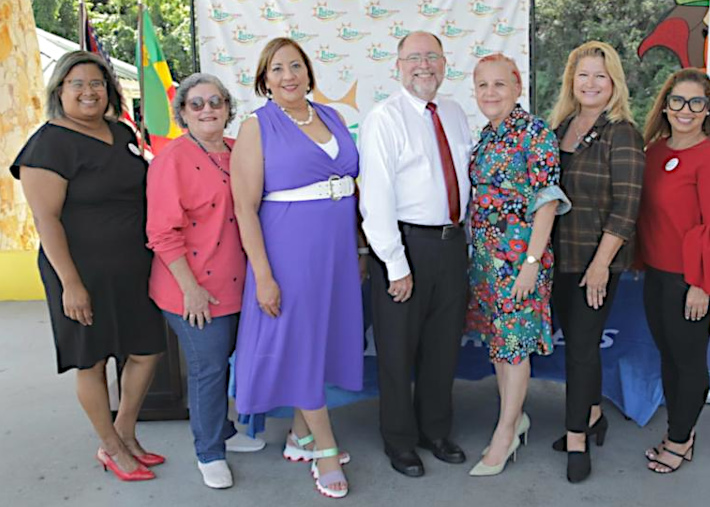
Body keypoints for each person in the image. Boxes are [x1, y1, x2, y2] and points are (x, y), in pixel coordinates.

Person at [9, 51, 165, 481]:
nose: (88, 91)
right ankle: (112, 448)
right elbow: (47, 220)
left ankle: (125, 434)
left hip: (133, 267)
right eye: (77, 83)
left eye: (96, 83)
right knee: (91, 359)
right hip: (80, 272)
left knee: (147, 350)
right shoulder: (49, 143)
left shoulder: (120, 131)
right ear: (60, 91)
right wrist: (71, 285)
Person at [231, 37, 363, 499]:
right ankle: (324, 447)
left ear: (308, 71)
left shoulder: (333, 116)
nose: (288, 76)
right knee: (302, 341)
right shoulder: (256, 126)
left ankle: (299, 436)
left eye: (295, 66)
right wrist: (263, 275)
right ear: (264, 80)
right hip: (289, 250)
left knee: (322, 340)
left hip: (338, 249)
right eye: (276, 69)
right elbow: (245, 208)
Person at [359, 31, 472, 478]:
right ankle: (400, 441)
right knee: (396, 351)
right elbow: (376, 198)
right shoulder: (384, 118)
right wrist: (395, 263)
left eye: (432, 57)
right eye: (414, 58)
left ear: (445, 64)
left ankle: (435, 431)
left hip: (452, 244)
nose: (424, 65)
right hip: (406, 246)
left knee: (443, 347)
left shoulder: (457, 113)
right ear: (398, 66)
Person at [145, 73, 266, 490]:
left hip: (240, 284)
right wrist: (190, 290)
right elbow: (161, 233)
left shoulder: (239, 151)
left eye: (215, 101)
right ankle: (209, 452)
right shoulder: (171, 160)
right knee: (208, 369)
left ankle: (225, 432)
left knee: (228, 362)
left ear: (229, 108)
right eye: (196, 104)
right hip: (193, 288)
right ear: (182, 114)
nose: (207, 110)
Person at [466, 54, 571, 477]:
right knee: (500, 343)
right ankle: (515, 417)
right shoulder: (487, 136)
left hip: (519, 260)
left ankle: (505, 432)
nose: (490, 93)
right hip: (487, 261)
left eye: (499, 85)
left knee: (513, 347)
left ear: (517, 87)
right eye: (482, 86)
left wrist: (530, 262)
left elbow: (547, 201)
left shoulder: (535, 133)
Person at [638, 68, 710, 474]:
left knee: (687, 359)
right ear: (665, 106)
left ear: (707, 110)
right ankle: (680, 430)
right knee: (668, 356)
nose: (686, 110)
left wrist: (700, 284)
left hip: (695, 279)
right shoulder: (654, 152)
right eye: (678, 101)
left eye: (696, 102)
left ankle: (680, 440)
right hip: (657, 273)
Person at [548, 41, 644, 483]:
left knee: (582, 351)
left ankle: (576, 441)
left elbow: (627, 205)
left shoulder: (621, 131)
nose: (590, 83)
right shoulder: (560, 126)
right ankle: (592, 415)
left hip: (595, 261)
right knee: (578, 344)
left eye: (600, 77)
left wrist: (602, 264)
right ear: (572, 80)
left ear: (613, 84)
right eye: (583, 74)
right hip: (557, 258)